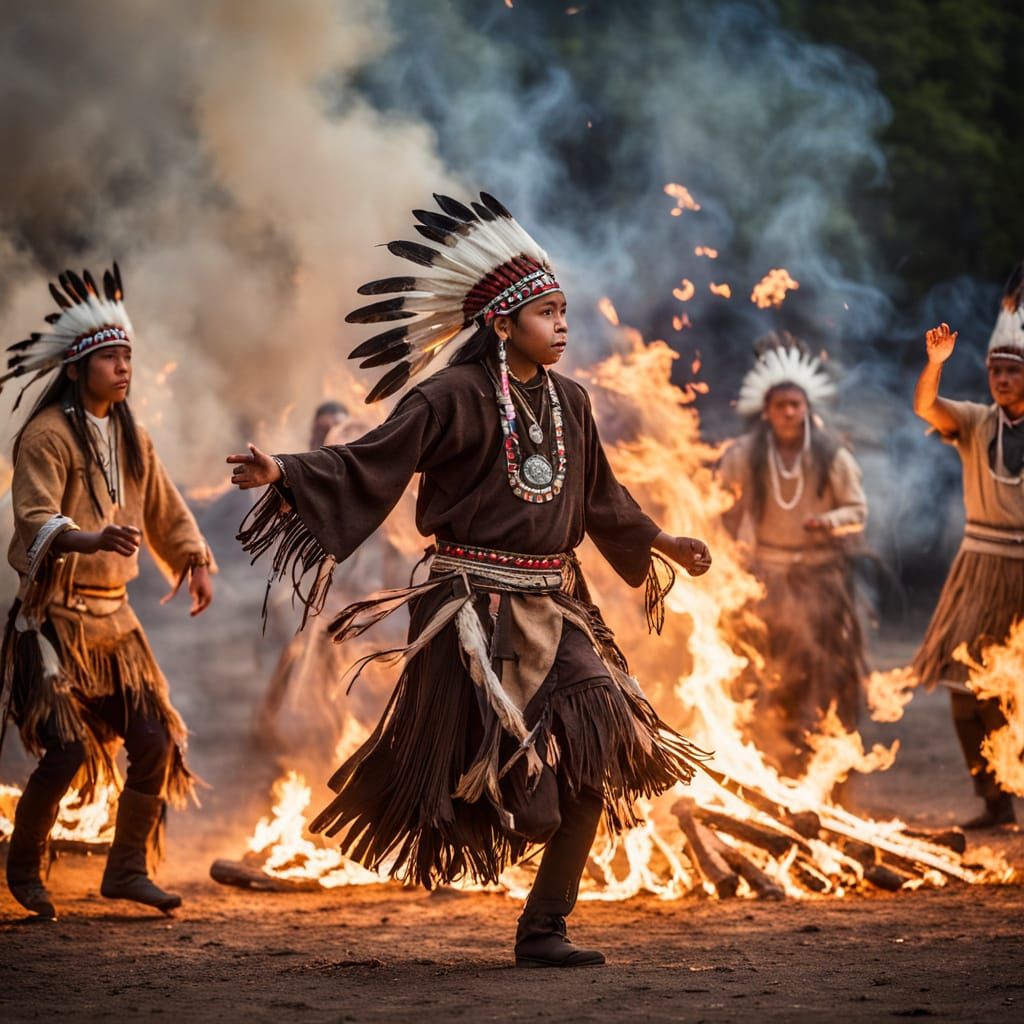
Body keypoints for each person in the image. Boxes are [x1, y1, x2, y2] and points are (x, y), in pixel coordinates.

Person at [228, 191, 711, 967]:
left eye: (563, 312)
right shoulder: (450, 396)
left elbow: (601, 502)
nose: (561, 326)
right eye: (547, 313)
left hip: (558, 608)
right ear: (501, 322)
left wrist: (662, 541)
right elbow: (372, 459)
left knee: (598, 754)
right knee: (524, 800)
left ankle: (544, 929)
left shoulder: (572, 404)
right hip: (472, 618)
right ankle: (500, 817)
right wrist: (284, 470)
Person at [0, 264, 215, 919]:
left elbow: (164, 510)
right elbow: (34, 517)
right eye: (111, 358)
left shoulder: (133, 438)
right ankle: (23, 871)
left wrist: (193, 559)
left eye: (128, 357)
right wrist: (89, 542)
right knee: (65, 750)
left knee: (153, 744)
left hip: (115, 629)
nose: (125, 368)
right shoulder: (44, 437)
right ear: (75, 369)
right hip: (55, 627)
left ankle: (124, 871)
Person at [718, 336, 867, 777]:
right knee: (765, 671)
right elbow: (719, 504)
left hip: (818, 580)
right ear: (766, 410)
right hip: (764, 579)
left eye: (795, 405)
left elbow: (858, 511)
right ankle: (768, 760)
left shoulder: (830, 455)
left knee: (817, 671)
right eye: (781, 405)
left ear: (807, 408)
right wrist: (728, 541)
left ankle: (815, 760)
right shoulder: (746, 454)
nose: (788, 413)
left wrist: (829, 521)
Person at [912, 262, 1024, 829]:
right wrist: (935, 365)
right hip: (979, 569)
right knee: (962, 685)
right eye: (994, 370)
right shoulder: (978, 422)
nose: (1001, 379)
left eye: (1012, 370)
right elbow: (926, 408)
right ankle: (994, 801)